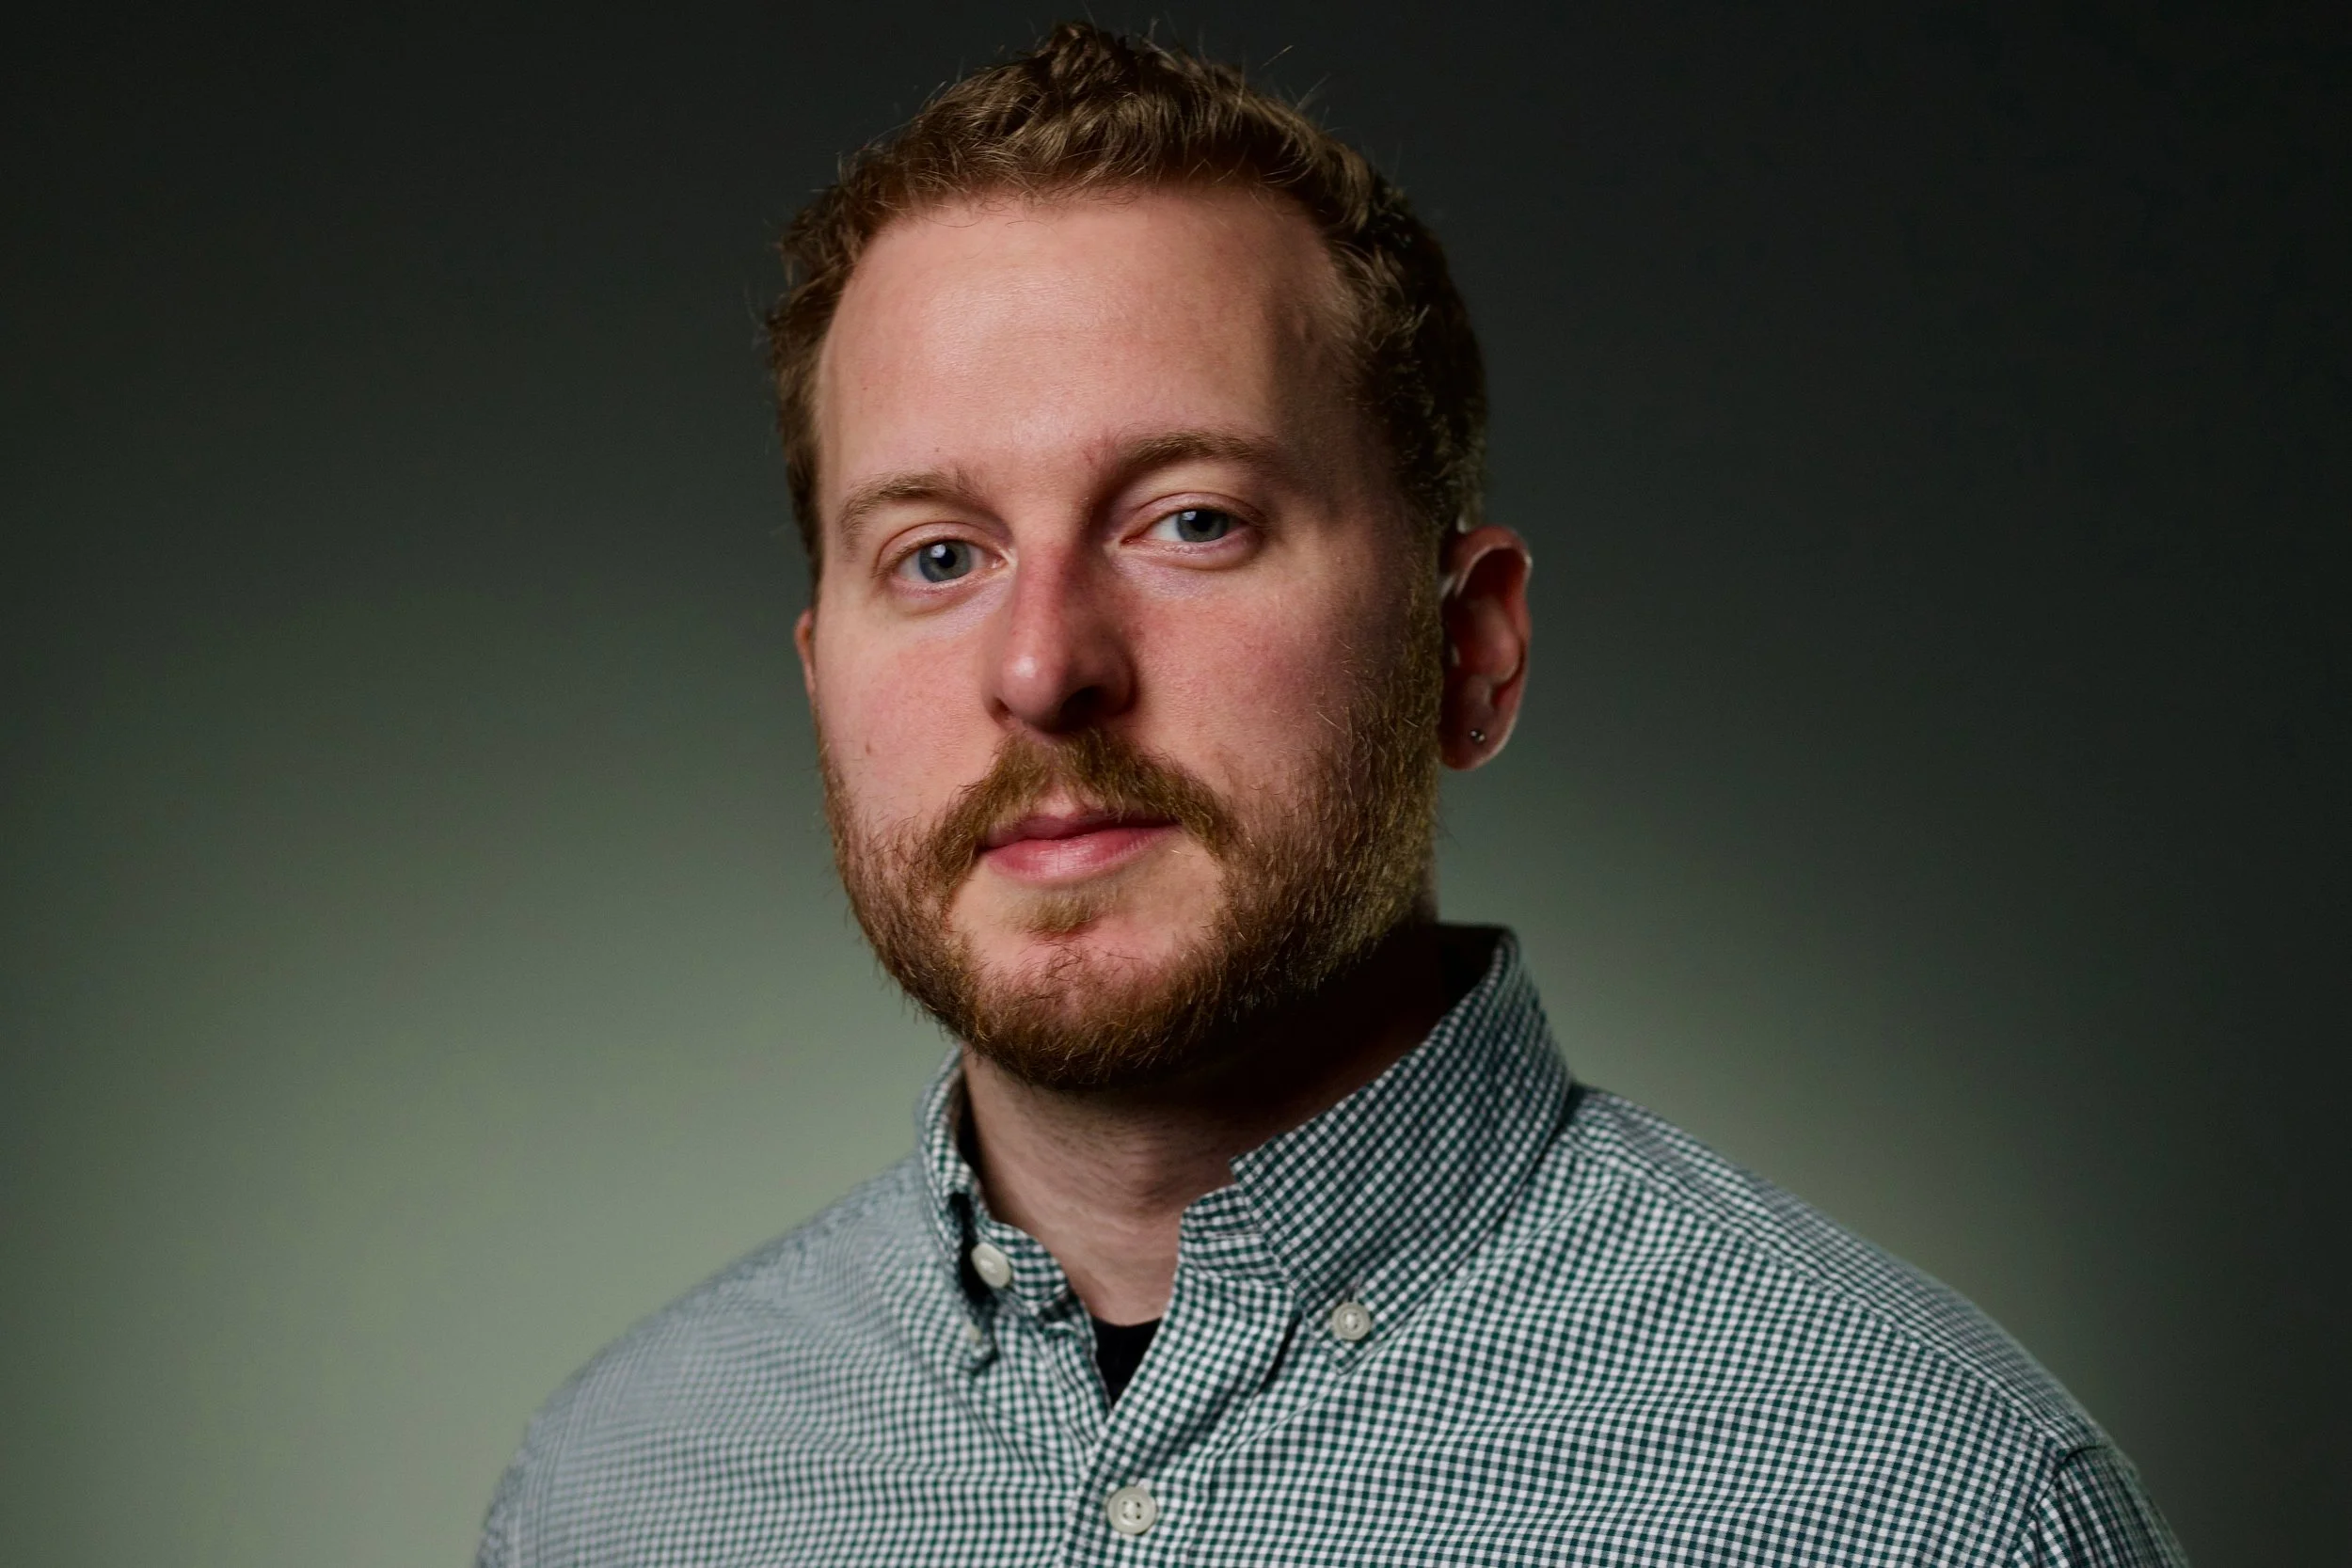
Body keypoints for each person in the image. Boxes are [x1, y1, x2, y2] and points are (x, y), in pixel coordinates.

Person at [479, 23, 2184, 1566]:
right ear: (819, 679)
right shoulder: (618, 1489)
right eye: (938, 555)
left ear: (1470, 649)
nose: (1043, 665)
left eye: (1193, 520)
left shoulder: (1939, 1507)